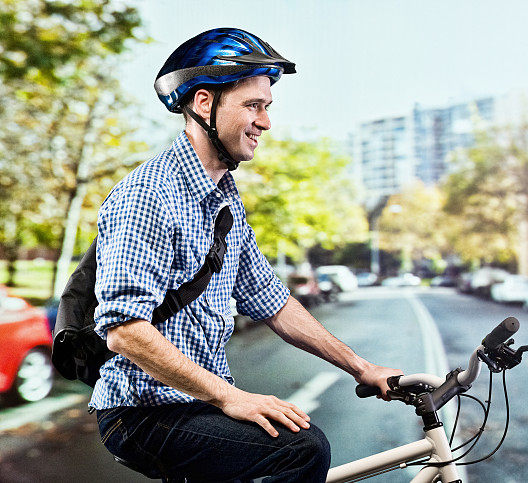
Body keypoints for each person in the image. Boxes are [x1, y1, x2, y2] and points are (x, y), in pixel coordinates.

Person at [90, 28, 401, 482]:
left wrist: (362, 367)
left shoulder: (224, 202)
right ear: (203, 104)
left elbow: (273, 302)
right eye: (253, 106)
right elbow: (123, 330)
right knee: (301, 449)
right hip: (141, 413)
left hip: (195, 405)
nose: (266, 122)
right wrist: (229, 398)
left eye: (267, 108)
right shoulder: (149, 195)